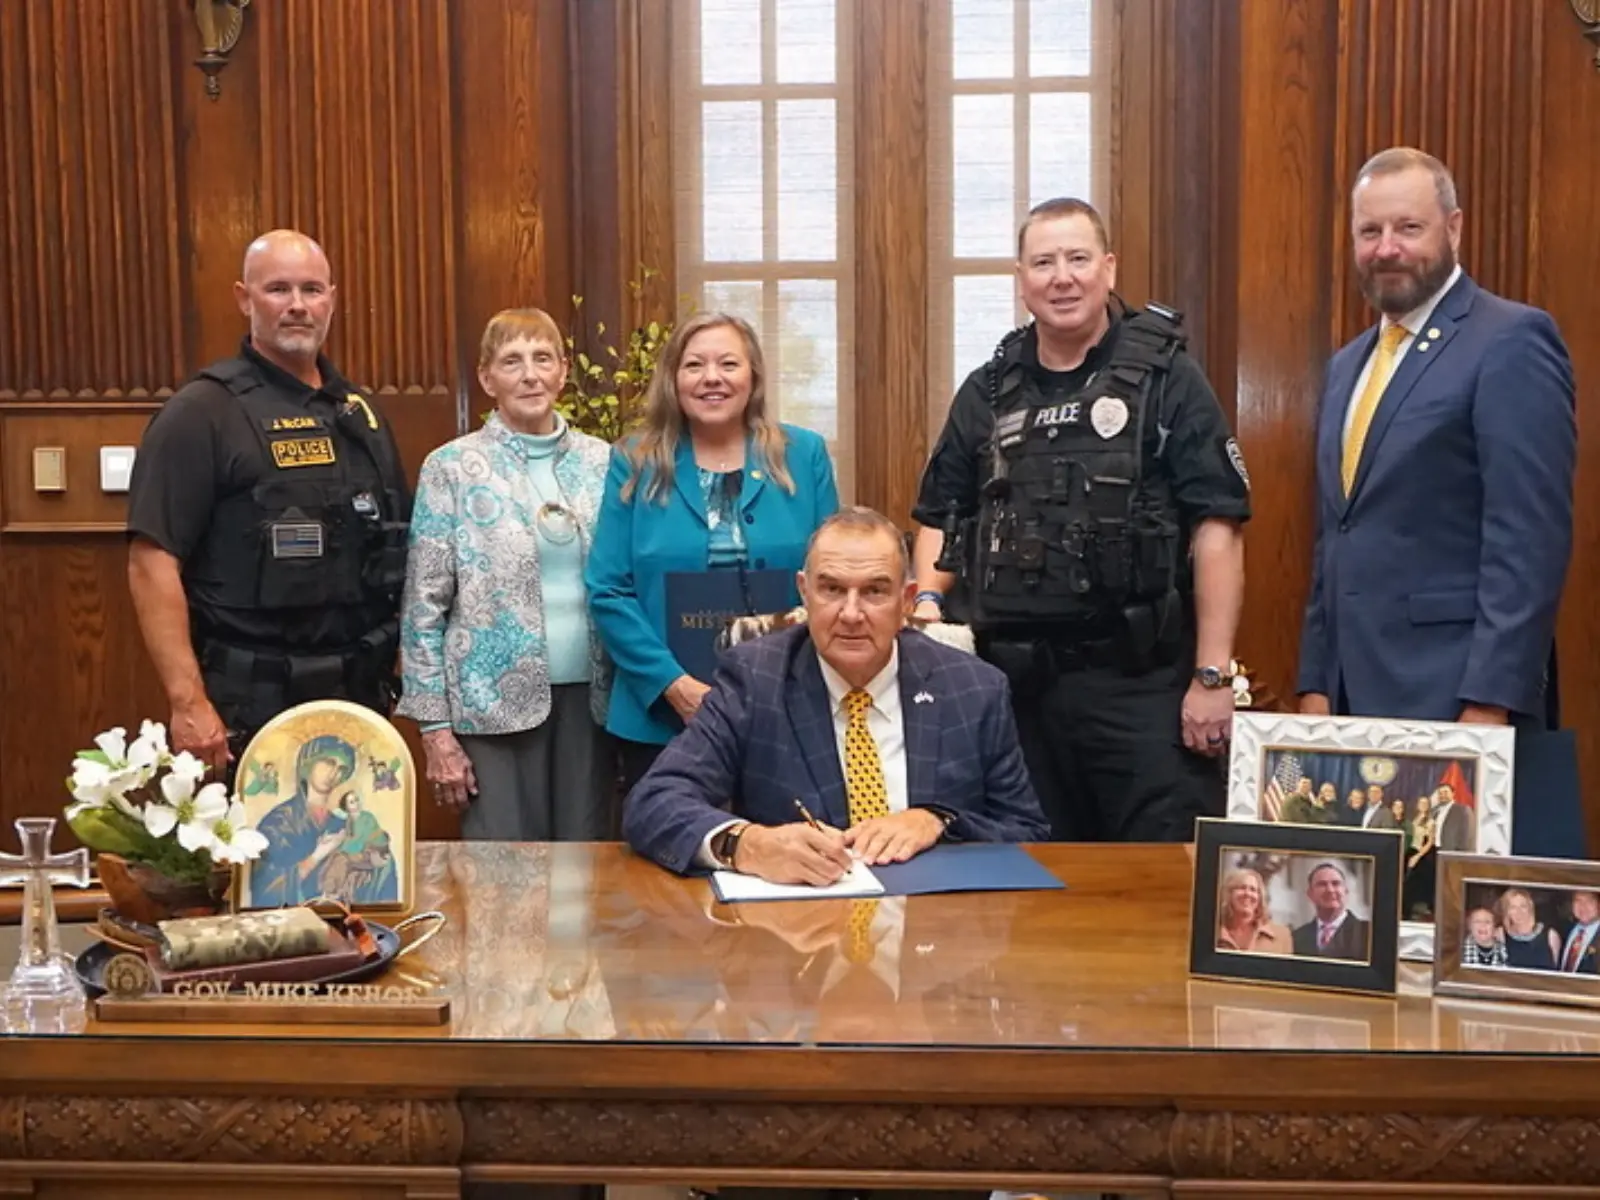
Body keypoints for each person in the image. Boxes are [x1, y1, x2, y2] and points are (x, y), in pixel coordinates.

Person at [910, 197, 1250, 844]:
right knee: (1026, 887)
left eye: (1077, 258)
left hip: (1141, 687)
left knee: (1157, 887)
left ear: (1108, 269)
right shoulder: (987, 389)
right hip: (1015, 694)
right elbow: (940, 514)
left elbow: (1218, 527)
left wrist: (1213, 675)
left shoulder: (1167, 379)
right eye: (1043, 262)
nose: (1061, 277)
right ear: (1022, 279)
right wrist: (928, 600)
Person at [1297, 147, 1576, 728]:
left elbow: (1528, 540)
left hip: (1457, 698)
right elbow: (1336, 538)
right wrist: (1317, 684)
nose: (1387, 248)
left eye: (1408, 227)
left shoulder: (1510, 340)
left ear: (1454, 228)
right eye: (1369, 231)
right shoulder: (1348, 366)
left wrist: (1490, 701)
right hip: (1352, 701)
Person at [623, 507, 1049, 881]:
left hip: (935, 939)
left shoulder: (975, 688)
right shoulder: (755, 680)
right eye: (831, 590)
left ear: (907, 601)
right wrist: (746, 844)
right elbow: (654, 802)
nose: (850, 614)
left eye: (874, 592)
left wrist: (939, 820)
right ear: (804, 593)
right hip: (798, 939)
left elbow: (1027, 831)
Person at [126, 230, 411, 778]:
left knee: (355, 858)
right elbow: (151, 562)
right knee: (253, 862)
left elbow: (395, 544)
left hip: (358, 698)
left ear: (333, 298)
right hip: (249, 705)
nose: (298, 306)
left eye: (312, 289)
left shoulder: (360, 414)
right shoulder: (201, 413)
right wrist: (188, 702)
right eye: (279, 289)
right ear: (244, 298)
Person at [587, 312, 840, 795]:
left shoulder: (802, 454)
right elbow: (608, 589)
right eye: (694, 365)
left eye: (728, 363)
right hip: (662, 715)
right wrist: (673, 686)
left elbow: (830, 574)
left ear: (754, 377)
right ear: (673, 379)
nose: (712, 378)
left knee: (784, 854)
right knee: (669, 856)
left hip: (786, 705)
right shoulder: (634, 461)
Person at [396, 308, 613, 841]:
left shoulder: (603, 462)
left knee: (587, 878)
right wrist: (435, 730)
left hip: (595, 702)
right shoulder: (450, 467)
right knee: (504, 879)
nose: (530, 374)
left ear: (564, 371)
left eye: (543, 359)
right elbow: (422, 607)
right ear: (487, 378)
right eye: (512, 361)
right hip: (488, 707)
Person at [1291, 862, 1370, 961]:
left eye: (1336, 883)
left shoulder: (1368, 933)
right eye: (1322, 884)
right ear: (1310, 894)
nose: (1330, 890)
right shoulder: (1296, 937)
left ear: (1346, 891)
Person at [1216, 867, 1291, 955]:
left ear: (1260, 898)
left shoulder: (1282, 935)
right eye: (1242, 888)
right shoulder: (1211, 932)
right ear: (1228, 894)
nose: (1247, 894)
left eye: (1253, 890)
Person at [1497, 887, 1559, 970]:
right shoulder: (1500, 934)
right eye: (1513, 907)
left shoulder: (1550, 935)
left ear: (1530, 907)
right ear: (1507, 911)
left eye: (1523, 906)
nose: (1518, 912)